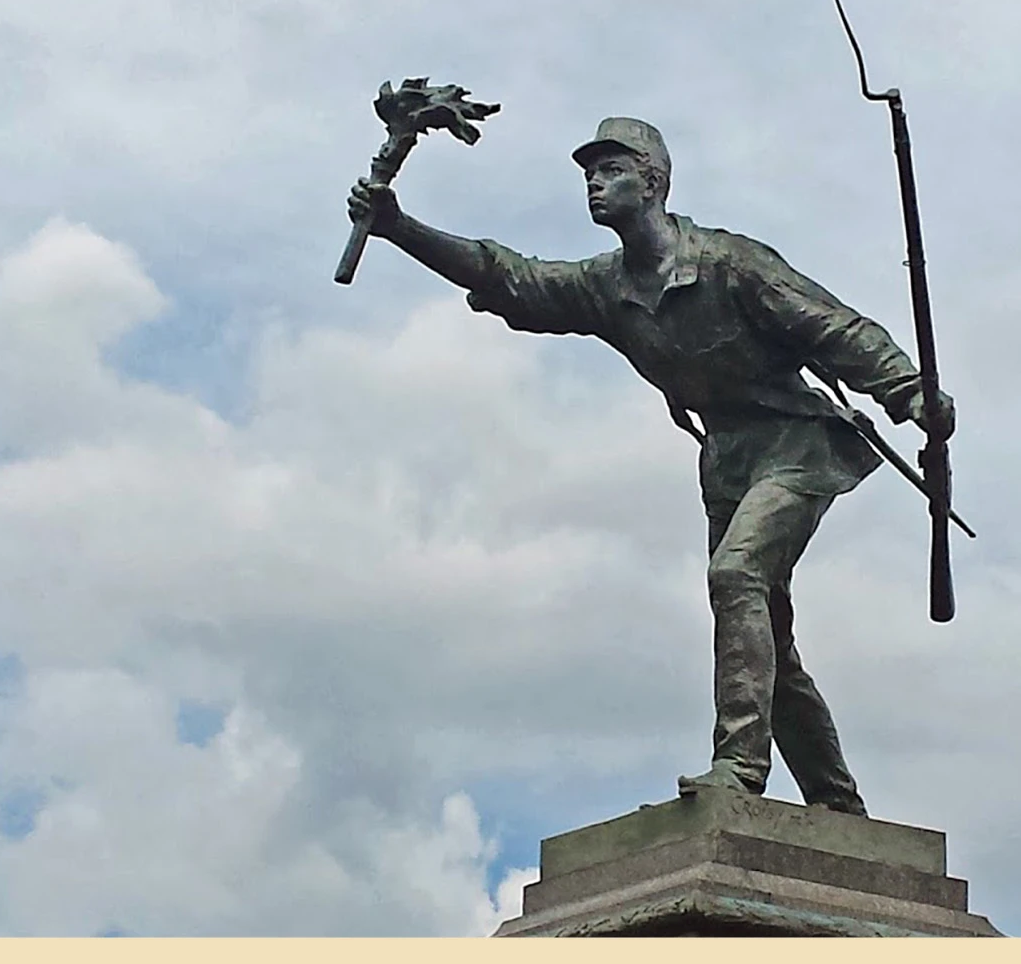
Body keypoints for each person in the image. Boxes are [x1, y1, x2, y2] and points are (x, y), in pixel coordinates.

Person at [346, 117, 954, 817]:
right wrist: (399, 227)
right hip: (726, 459)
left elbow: (834, 328)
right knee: (765, 637)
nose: (594, 185)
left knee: (736, 575)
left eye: (611, 172)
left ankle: (738, 768)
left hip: (797, 445)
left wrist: (909, 393)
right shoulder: (608, 288)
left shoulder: (730, 262)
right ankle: (836, 802)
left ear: (654, 181)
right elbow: (509, 277)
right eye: (588, 176)